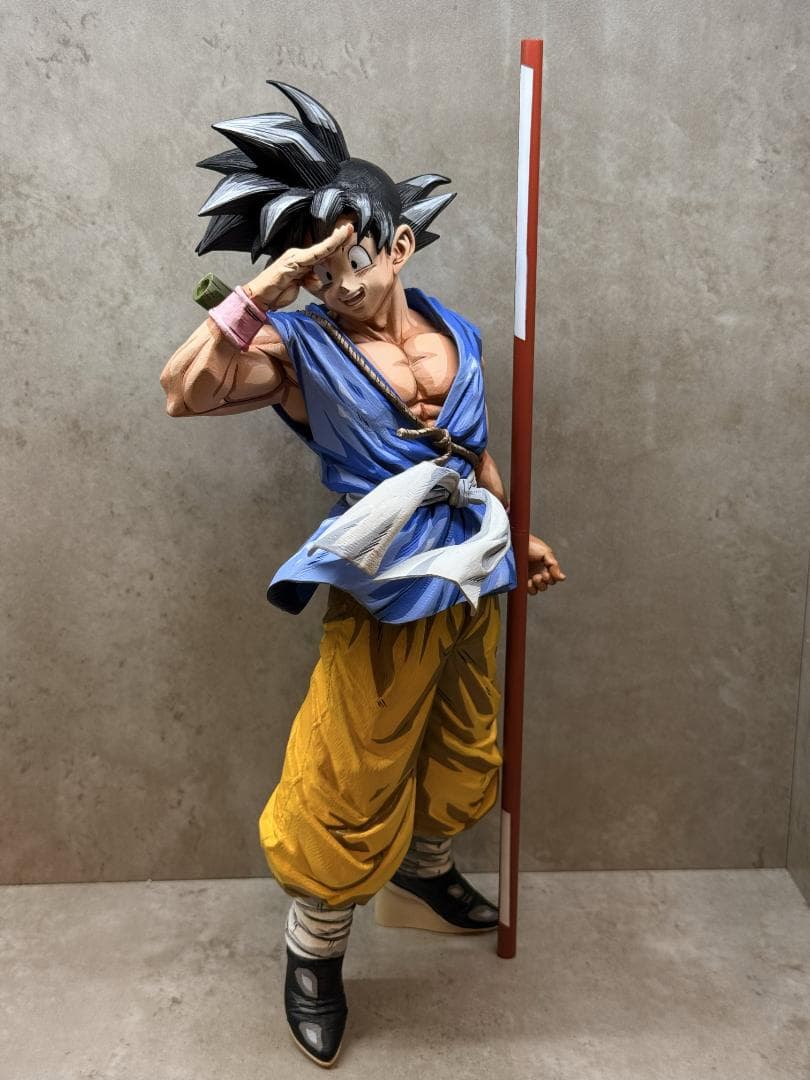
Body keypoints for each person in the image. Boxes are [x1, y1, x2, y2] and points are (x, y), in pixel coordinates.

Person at [160, 81, 565, 1068]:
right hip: (385, 590)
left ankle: (424, 873)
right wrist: (273, 284)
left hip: (473, 573)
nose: (335, 284)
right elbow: (184, 392)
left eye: (346, 258)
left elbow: (471, 451)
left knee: (465, 746)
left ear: (398, 245)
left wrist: (519, 532)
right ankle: (314, 952)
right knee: (349, 771)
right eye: (316, 267)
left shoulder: (455, 332)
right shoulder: (298, 347)